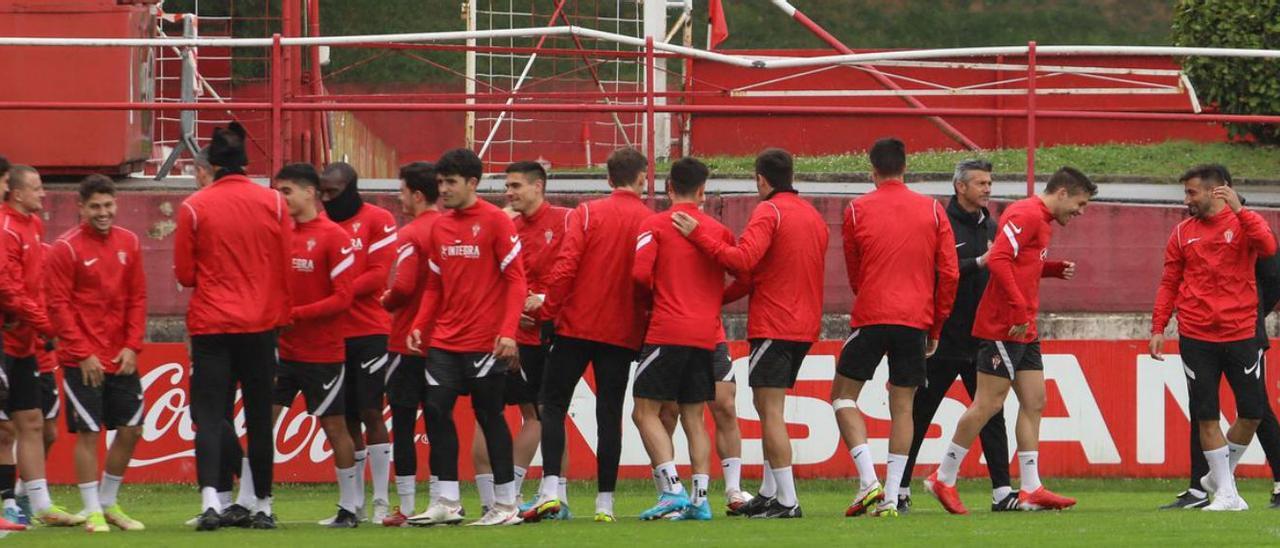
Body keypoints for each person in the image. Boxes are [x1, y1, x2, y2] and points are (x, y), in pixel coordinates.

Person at [927, 166, 1095, 514]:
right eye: (1079, 204)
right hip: (1005, 324)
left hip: (1025, 326)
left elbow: (1019, 262)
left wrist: (1049, 269)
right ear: (1062, 193)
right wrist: (1018, 308)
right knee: (987, 404)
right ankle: (943, 477)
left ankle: (1031, 487)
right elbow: (1000, 258)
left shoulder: (1043, 220)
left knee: (1035, 401)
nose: (1080, 212)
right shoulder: (1026, 213)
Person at [672, 147, 829, 519]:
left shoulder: (768, 211)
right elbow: (760, 275)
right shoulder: (813, 216)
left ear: (761, 179)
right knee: (772, 407)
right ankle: (769, 492)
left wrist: (699, 236)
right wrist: (718, 300)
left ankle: (788, 501)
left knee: (768, 410)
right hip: (805, 325)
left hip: (775, 323)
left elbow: (742, 261)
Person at [521, 148, 652, 523]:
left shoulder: (587, 212)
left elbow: (565, 268)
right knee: (609, 414)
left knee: (553, 405)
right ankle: (605, 503)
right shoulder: (649, 220)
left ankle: (550, 489)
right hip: (621, 331)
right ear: (641, 178)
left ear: (608, 179)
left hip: (576, 326)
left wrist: (547, 313)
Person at [174, 122, 291, 531]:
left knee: (209, 415)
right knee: (259, 417)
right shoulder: (274, 203)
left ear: (212, 165)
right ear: (245, 163)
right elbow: (284, 263)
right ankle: (262, 504)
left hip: (211, 323)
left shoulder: (193, 207)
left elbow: (185, 273)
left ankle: (212, 501)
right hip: (260, 323)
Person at [834, 138, 959, 518]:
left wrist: (870, 293)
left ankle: (868, 480)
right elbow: (950, 274)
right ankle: (891, 496)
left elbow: (854, 269)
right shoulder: (933, 210)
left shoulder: (857, 209)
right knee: (903, 407)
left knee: (842, 397)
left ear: (872, 170)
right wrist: (936, 325)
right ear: (906, 168)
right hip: (915, 320)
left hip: (873, 315)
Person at [405, 148, 526, 527]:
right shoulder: (440, 226)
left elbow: (516, 280)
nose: (443, 189)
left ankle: (506, 506)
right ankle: (447, 501)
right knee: (437, 411)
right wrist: (420, 325)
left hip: (484, 341)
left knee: (489, 416)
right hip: (444, 340)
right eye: (439, 182)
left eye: (450, 182)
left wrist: (508, 332)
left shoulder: (495, 222)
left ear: (472, 183)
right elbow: (434, 286)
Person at [1149, 164, 1278, 512]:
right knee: (1205, 414)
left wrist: (1239, 209)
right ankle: (1225, 494)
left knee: (1252, 413)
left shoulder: (1245, 223)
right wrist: (1158, 327)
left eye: (1192, 192)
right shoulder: (1181, 233)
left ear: (1215, 191)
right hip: (1196, 334)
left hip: (1241, 332)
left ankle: (1219, 478)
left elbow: (1268, 247)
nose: (1187, 199)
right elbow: (1169, 282)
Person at [899, 160, 1017, 514]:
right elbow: (937, 274)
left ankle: (1002, 492)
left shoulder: (993, 226)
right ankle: (900, 489)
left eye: (990, 182)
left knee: (992, 414)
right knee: (920, 413)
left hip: (983, 339)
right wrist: (980, 260)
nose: (987, 188)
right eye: (980, 183)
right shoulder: (941, 225)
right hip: (944, 338)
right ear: (960, 187)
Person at [630, 157, 736, 522]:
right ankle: (701, 499)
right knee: (694, 417)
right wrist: (711, 301)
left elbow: (640, 274)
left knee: (643, 411)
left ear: (668, 188)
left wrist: (658, 302)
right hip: (706, 334)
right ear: (703, 190)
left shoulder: (655, 224)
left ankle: (672, 489)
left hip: (667, 329)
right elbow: (745, 274)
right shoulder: (718, 231)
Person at [44, 174, 148, 533]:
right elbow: (58, 306)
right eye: (95, 207)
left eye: (108, 205)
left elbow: (137, 297)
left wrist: (132, 346)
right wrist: (82, 352)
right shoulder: (66, 248)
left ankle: (107, 502)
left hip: (121, 357)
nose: (103, 213)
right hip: (82, 359)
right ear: (81, 208)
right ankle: (92, 511)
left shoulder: (130, 242)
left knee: (132, 429)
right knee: (89, 433)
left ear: (116, 203)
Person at [472, 161, 570, 516]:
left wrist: (544, 300)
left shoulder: (565, 220)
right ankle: (510, 493)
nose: (509, 192)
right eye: (507, 186)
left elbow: (573, 269)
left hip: (552, 330)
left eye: (516, 186)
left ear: (538, 186)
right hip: (518, 334)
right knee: (537, 413)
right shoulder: (508, 224)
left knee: (548, 412)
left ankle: (549, 495)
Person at [270, 163, 360, 528]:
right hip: (281, 351)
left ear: (310, 193)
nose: (280, 198)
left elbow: (343, 299)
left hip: (322, 353)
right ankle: (256, 502)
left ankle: (350, 508)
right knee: (263, 422)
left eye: (286, 191)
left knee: (335, 428)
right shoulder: (278, 233)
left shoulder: (334, 237)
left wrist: (295, 314)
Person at [319, 162, 397, 523]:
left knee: (370, 411)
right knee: (346, 416)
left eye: (333, 192)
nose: (326, 198)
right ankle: (354, 504)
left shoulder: (378, 219)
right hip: (331, 333)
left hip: (369, 330)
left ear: (350, 188)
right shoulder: (319, 225)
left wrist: (336, 293)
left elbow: (379, 275)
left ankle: (381, 499)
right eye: (322, 191)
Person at [1, 165, 76, 526]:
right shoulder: (5, 229)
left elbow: (32, 287)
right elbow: (9, 289)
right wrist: (48, 326)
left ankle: (40, 504)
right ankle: (7, 503)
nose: (43, 193)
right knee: (5, 428)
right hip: (8, 337)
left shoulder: (33, 225)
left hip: (24, 340)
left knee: (32, 421)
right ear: (16, 193)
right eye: (36, 188)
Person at [379, 161, 442, 527]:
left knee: (403, 423)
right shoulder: (450, 229)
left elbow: (402, 288)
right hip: (444, 343)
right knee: (439, 424)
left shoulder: (411, 234)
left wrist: (384, 302)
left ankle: (405, 506)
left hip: (407, 342)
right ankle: (441, 500)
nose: (399, 197)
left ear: (417, 195)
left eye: (402, 191)